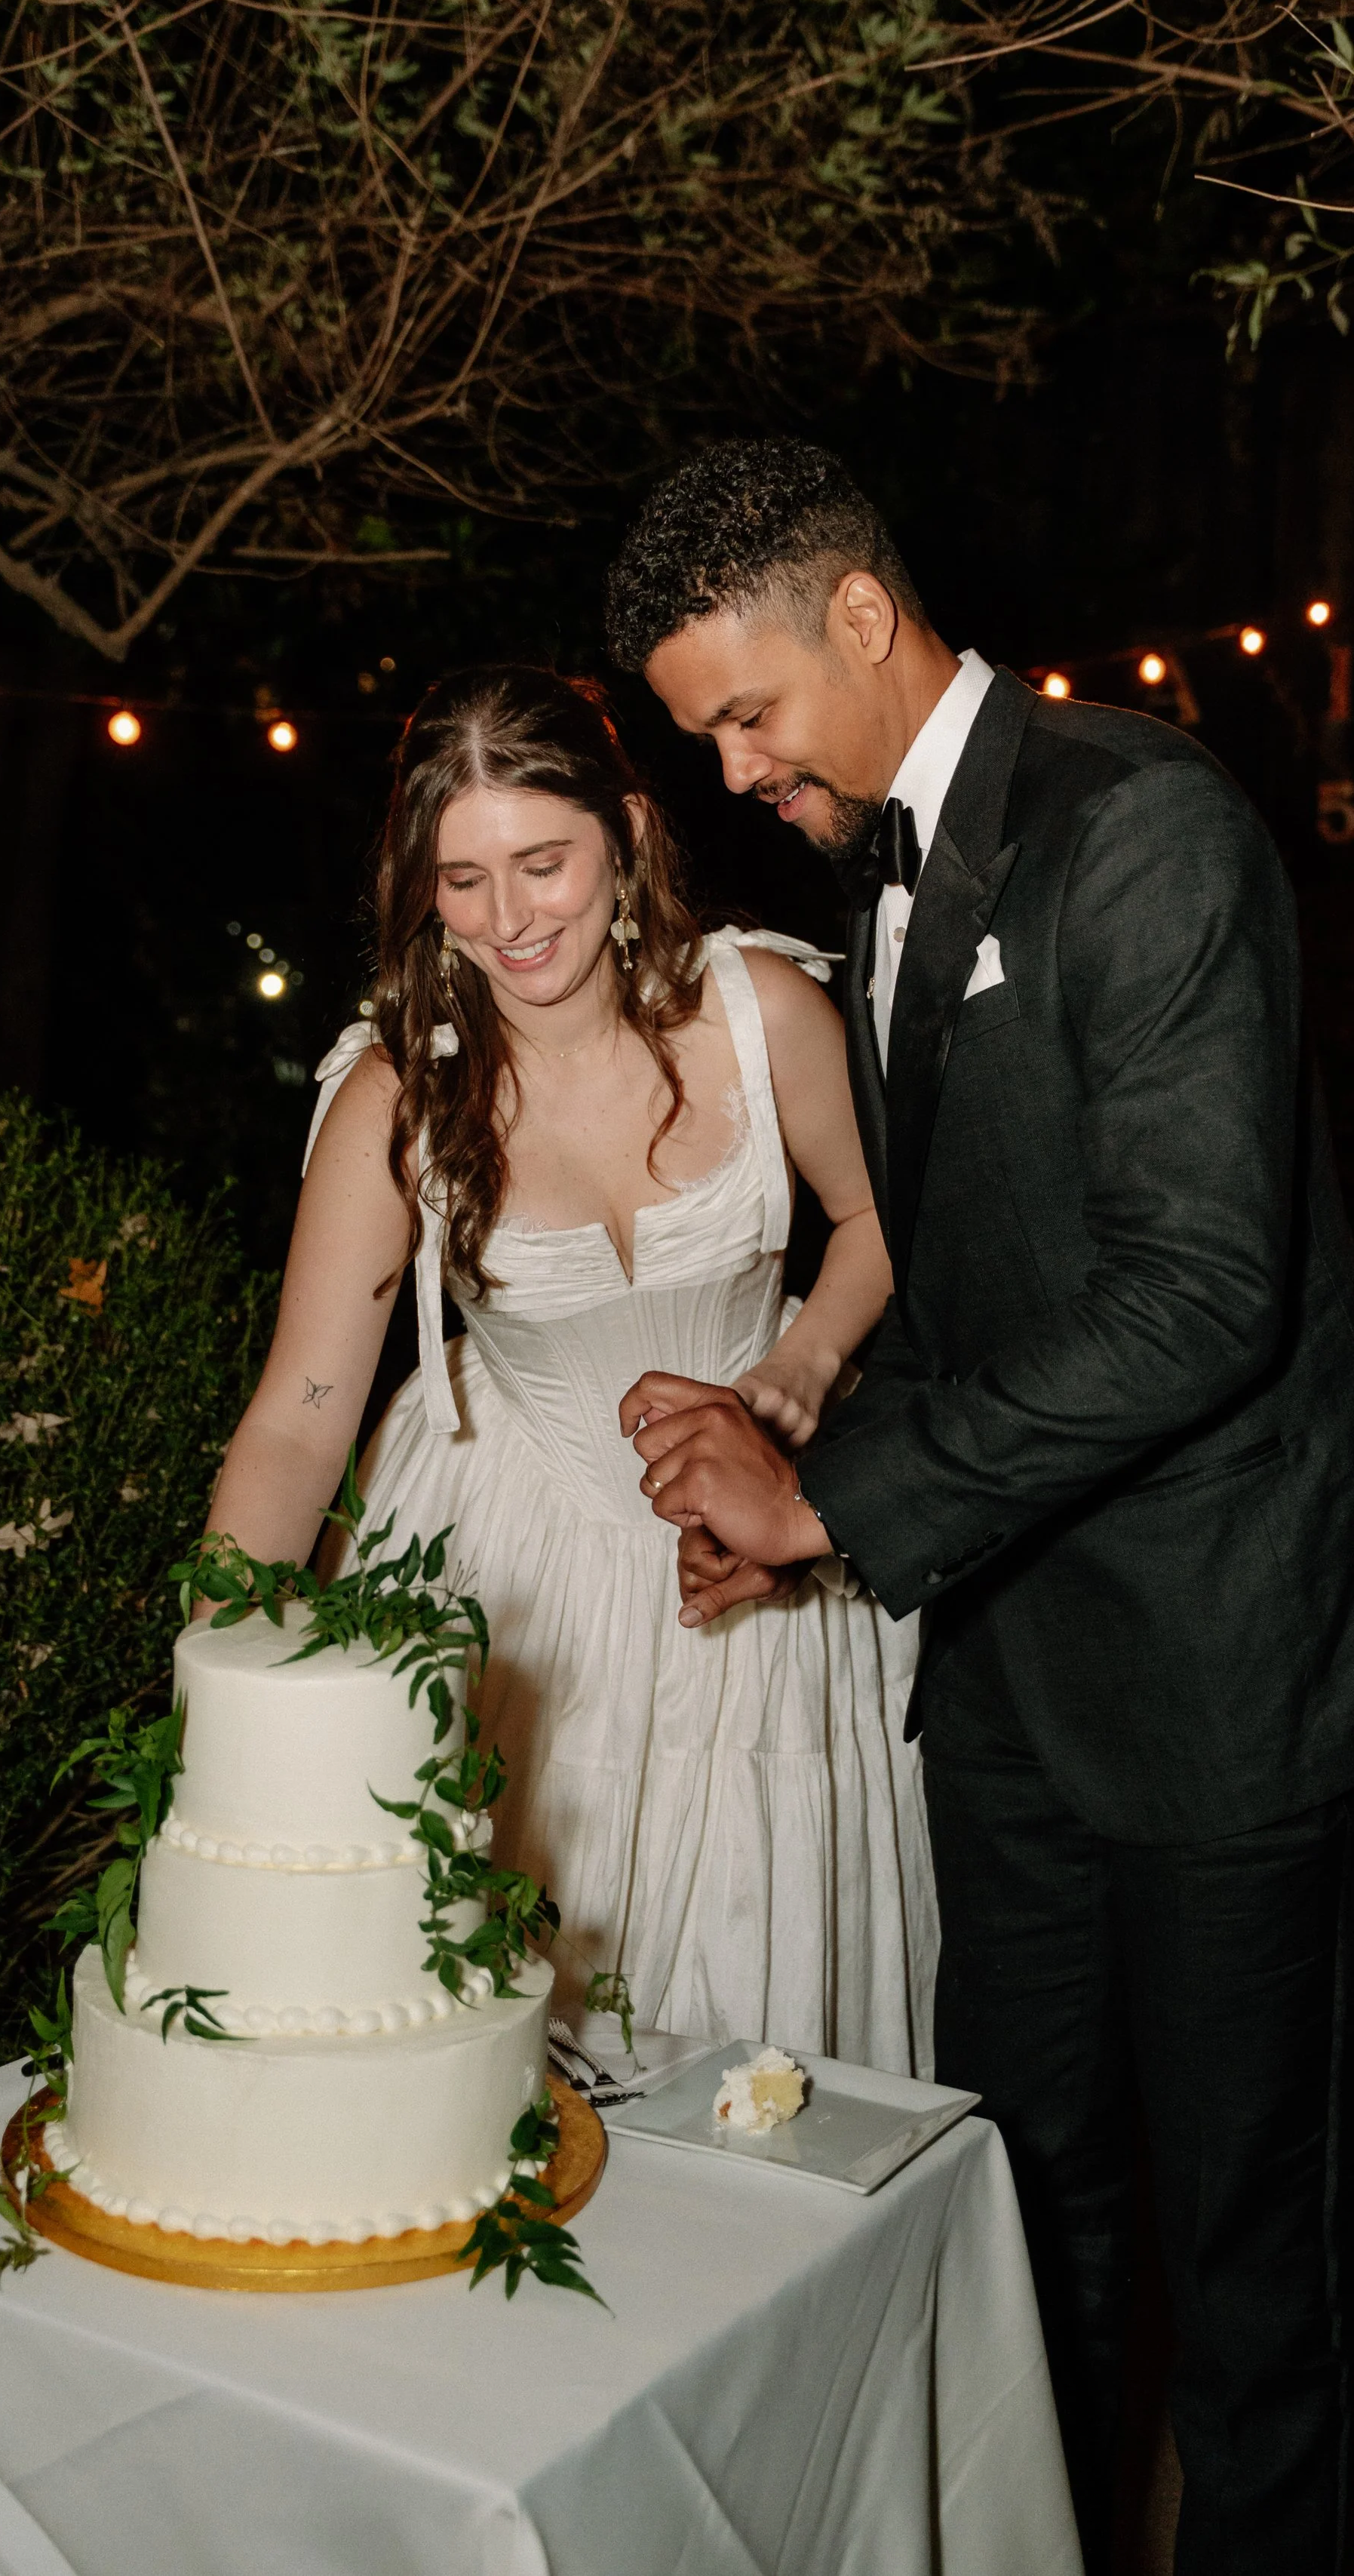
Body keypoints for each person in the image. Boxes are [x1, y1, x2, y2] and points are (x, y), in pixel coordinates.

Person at [606, 441, 1354, 2574]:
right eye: (699, 737)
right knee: (1031, 2227)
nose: (731, 771)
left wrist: (841, 1510)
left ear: (858, 618)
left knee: (1247, 2273)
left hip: (1231, 1678)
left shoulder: (1144, 823)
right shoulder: (876, 879)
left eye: (744, 713)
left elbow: (1196, 1296)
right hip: (1008, 1680)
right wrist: (808, 1449)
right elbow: (979, 1272)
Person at [202, 665, 938, 2075]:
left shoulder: (763, 1009)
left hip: (760, 1575)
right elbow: (302, 1418)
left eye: (542, 863)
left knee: (756, 2034)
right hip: (506, 1577)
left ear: (630, 841)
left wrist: (789, 1379)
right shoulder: (398, 1095)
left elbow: (884, 1221)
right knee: (482, 2039)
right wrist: (212, 1671)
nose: (509, 918)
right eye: (463, 880)